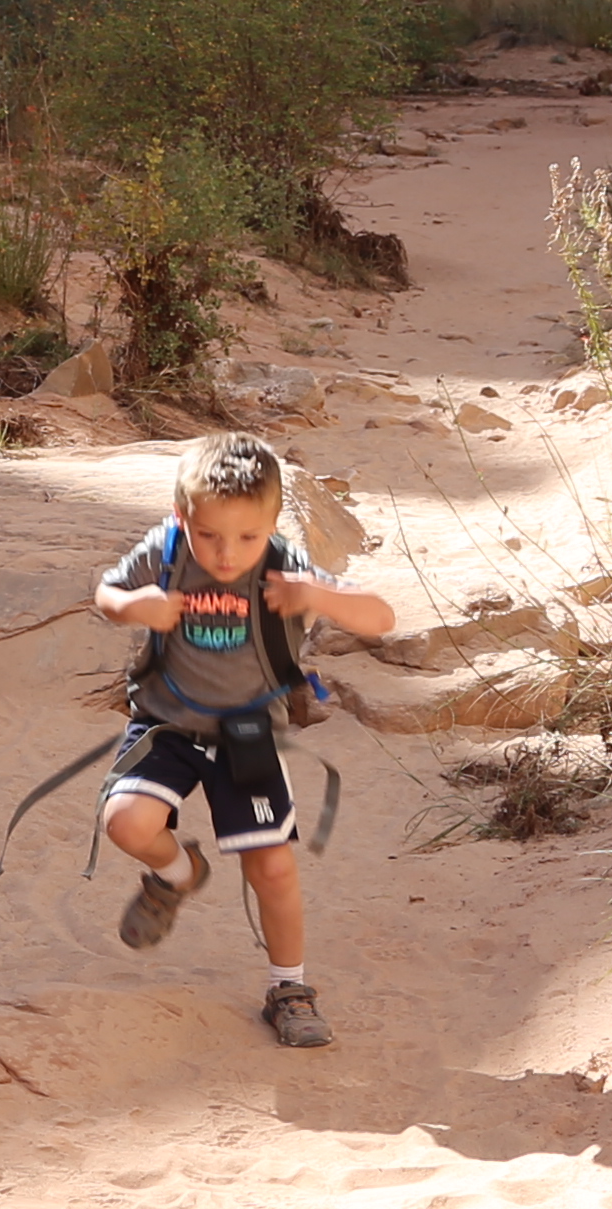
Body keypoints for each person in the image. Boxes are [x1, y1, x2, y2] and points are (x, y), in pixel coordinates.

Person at [92, 432, 391, 1050]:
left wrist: (315, 595)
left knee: (273, 867)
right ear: (182, 517)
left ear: (273, 523)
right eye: (210, 536)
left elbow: (382, 619)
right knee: (125, 823)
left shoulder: (284, 561)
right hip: (167, 724)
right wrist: (133, 607)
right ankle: (179, 873)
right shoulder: (166, 548)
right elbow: (106, 594)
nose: (228, 554)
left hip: (247, 732)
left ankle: (290, 988)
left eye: (248, 537)